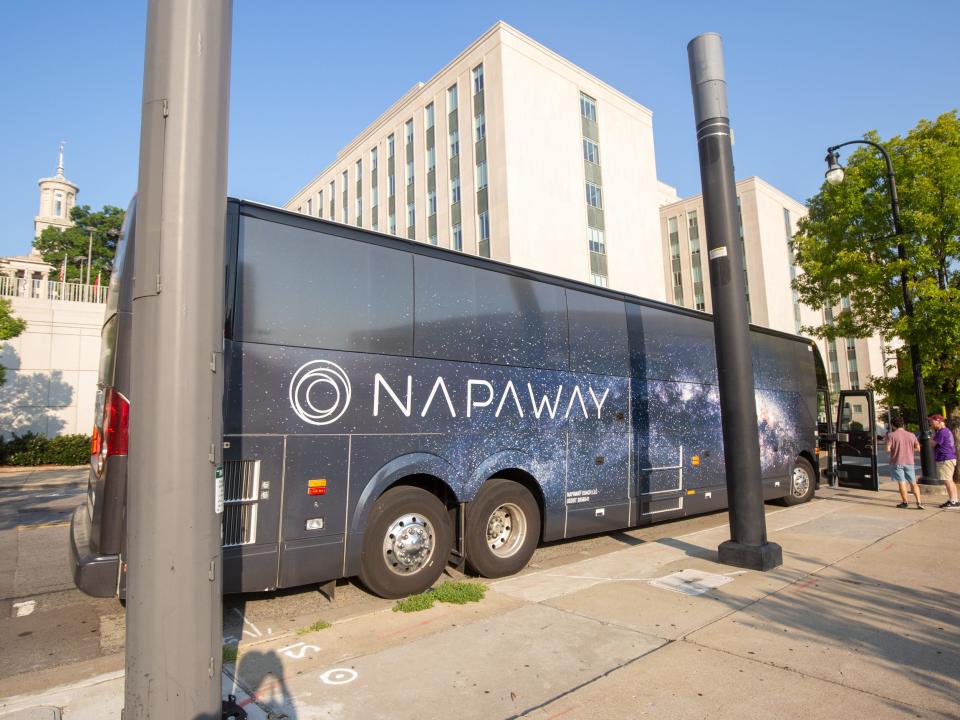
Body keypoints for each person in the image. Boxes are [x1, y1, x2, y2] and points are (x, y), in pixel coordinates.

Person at [885, 416, 923, 508]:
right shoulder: (911, 435)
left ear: (893, 425)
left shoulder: (891, 435)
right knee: (913, 482)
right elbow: (918, 448)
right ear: (903, 424)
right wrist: (910, 449)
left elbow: (888, 449)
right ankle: (919, 502)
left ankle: (905, 502)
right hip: (909, 461)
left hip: (897, 462)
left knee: (902, 482)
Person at [928, 414, 959, 509]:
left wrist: (932, 434)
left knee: (947, 480)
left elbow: (931, 444)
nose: (930, 423)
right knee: (949, 480)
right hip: (948, 458)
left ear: (938, 421)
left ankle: (953, 501)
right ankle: (954, 500)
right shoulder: (946, 431)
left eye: (932, 421)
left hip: (945, 459)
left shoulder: (942, 432)